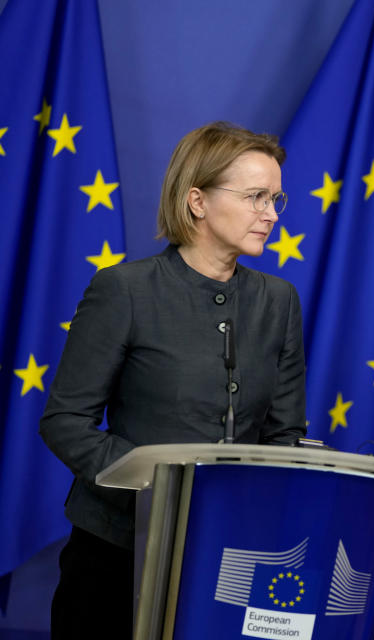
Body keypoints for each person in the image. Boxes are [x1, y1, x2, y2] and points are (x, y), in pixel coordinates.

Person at [39, 122, 307, 639]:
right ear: (197, 201)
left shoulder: (280, 302)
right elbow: (65, 422)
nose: (271, 214)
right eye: (255, 197)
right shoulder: (125, 290)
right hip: (116, 555)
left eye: (276, 198)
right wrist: (158, 493)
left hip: (230, 558)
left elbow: (284, 434)